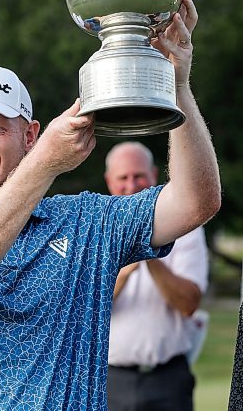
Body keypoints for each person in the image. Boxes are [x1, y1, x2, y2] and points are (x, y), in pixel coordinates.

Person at [0, 0, 221, 410]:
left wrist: (178, 87)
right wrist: (44, 163)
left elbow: (195, 202)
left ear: (29, 135)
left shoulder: (84, 221)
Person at [104, 141, 209, 411]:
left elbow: (189, 304)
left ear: (152, 175)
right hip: (110, 379)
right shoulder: (97, 231)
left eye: (138, 175)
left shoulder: (185, 227)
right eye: (123, 178)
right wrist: (127, 268)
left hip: (168, 379)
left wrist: (150, 252)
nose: (131, 184)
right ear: (109, 181)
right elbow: (86, 307)